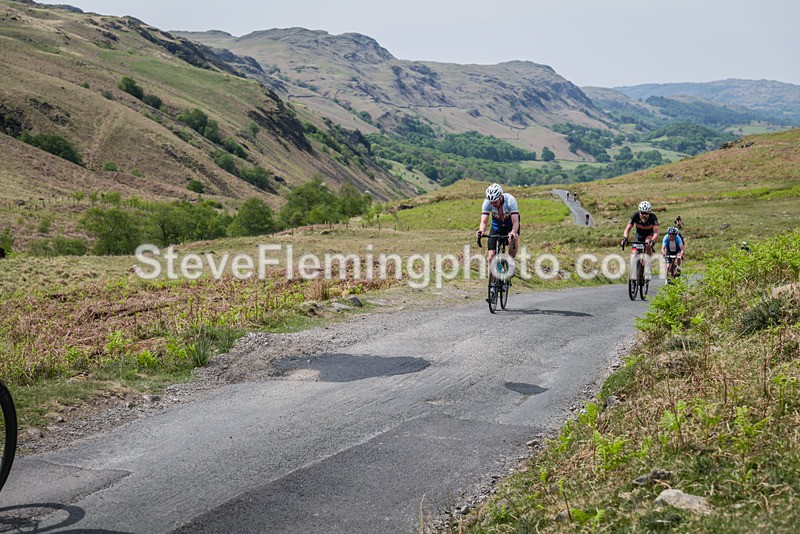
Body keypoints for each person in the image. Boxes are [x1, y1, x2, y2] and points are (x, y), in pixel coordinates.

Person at [476, 183, 520, 278]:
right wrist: (481, 230)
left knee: (514, 238)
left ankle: (510, 262)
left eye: (495, 202)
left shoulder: (510, 201)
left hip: (510, 225)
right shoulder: (487, 203)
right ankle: (491, 287)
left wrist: (513, 232)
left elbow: (516, 222)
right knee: (491, 257)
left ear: (500, 197)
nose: (493, 204)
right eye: (491, 202)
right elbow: (484, 221)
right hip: (497, 226)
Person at [621, 200, 659, 281]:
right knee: (634, 255)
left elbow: (656, 232)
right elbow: (627, 229)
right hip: (639, 236)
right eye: (642, 213)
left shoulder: (653, 218)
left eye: (646, 213)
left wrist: (653, 240)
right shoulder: (635, 216)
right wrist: (625, 238)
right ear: (639, 212)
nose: (644, 215)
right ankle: (635, 273)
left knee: (648, 244)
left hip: (649, 235)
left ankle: (648, 266)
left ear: (649, 213)